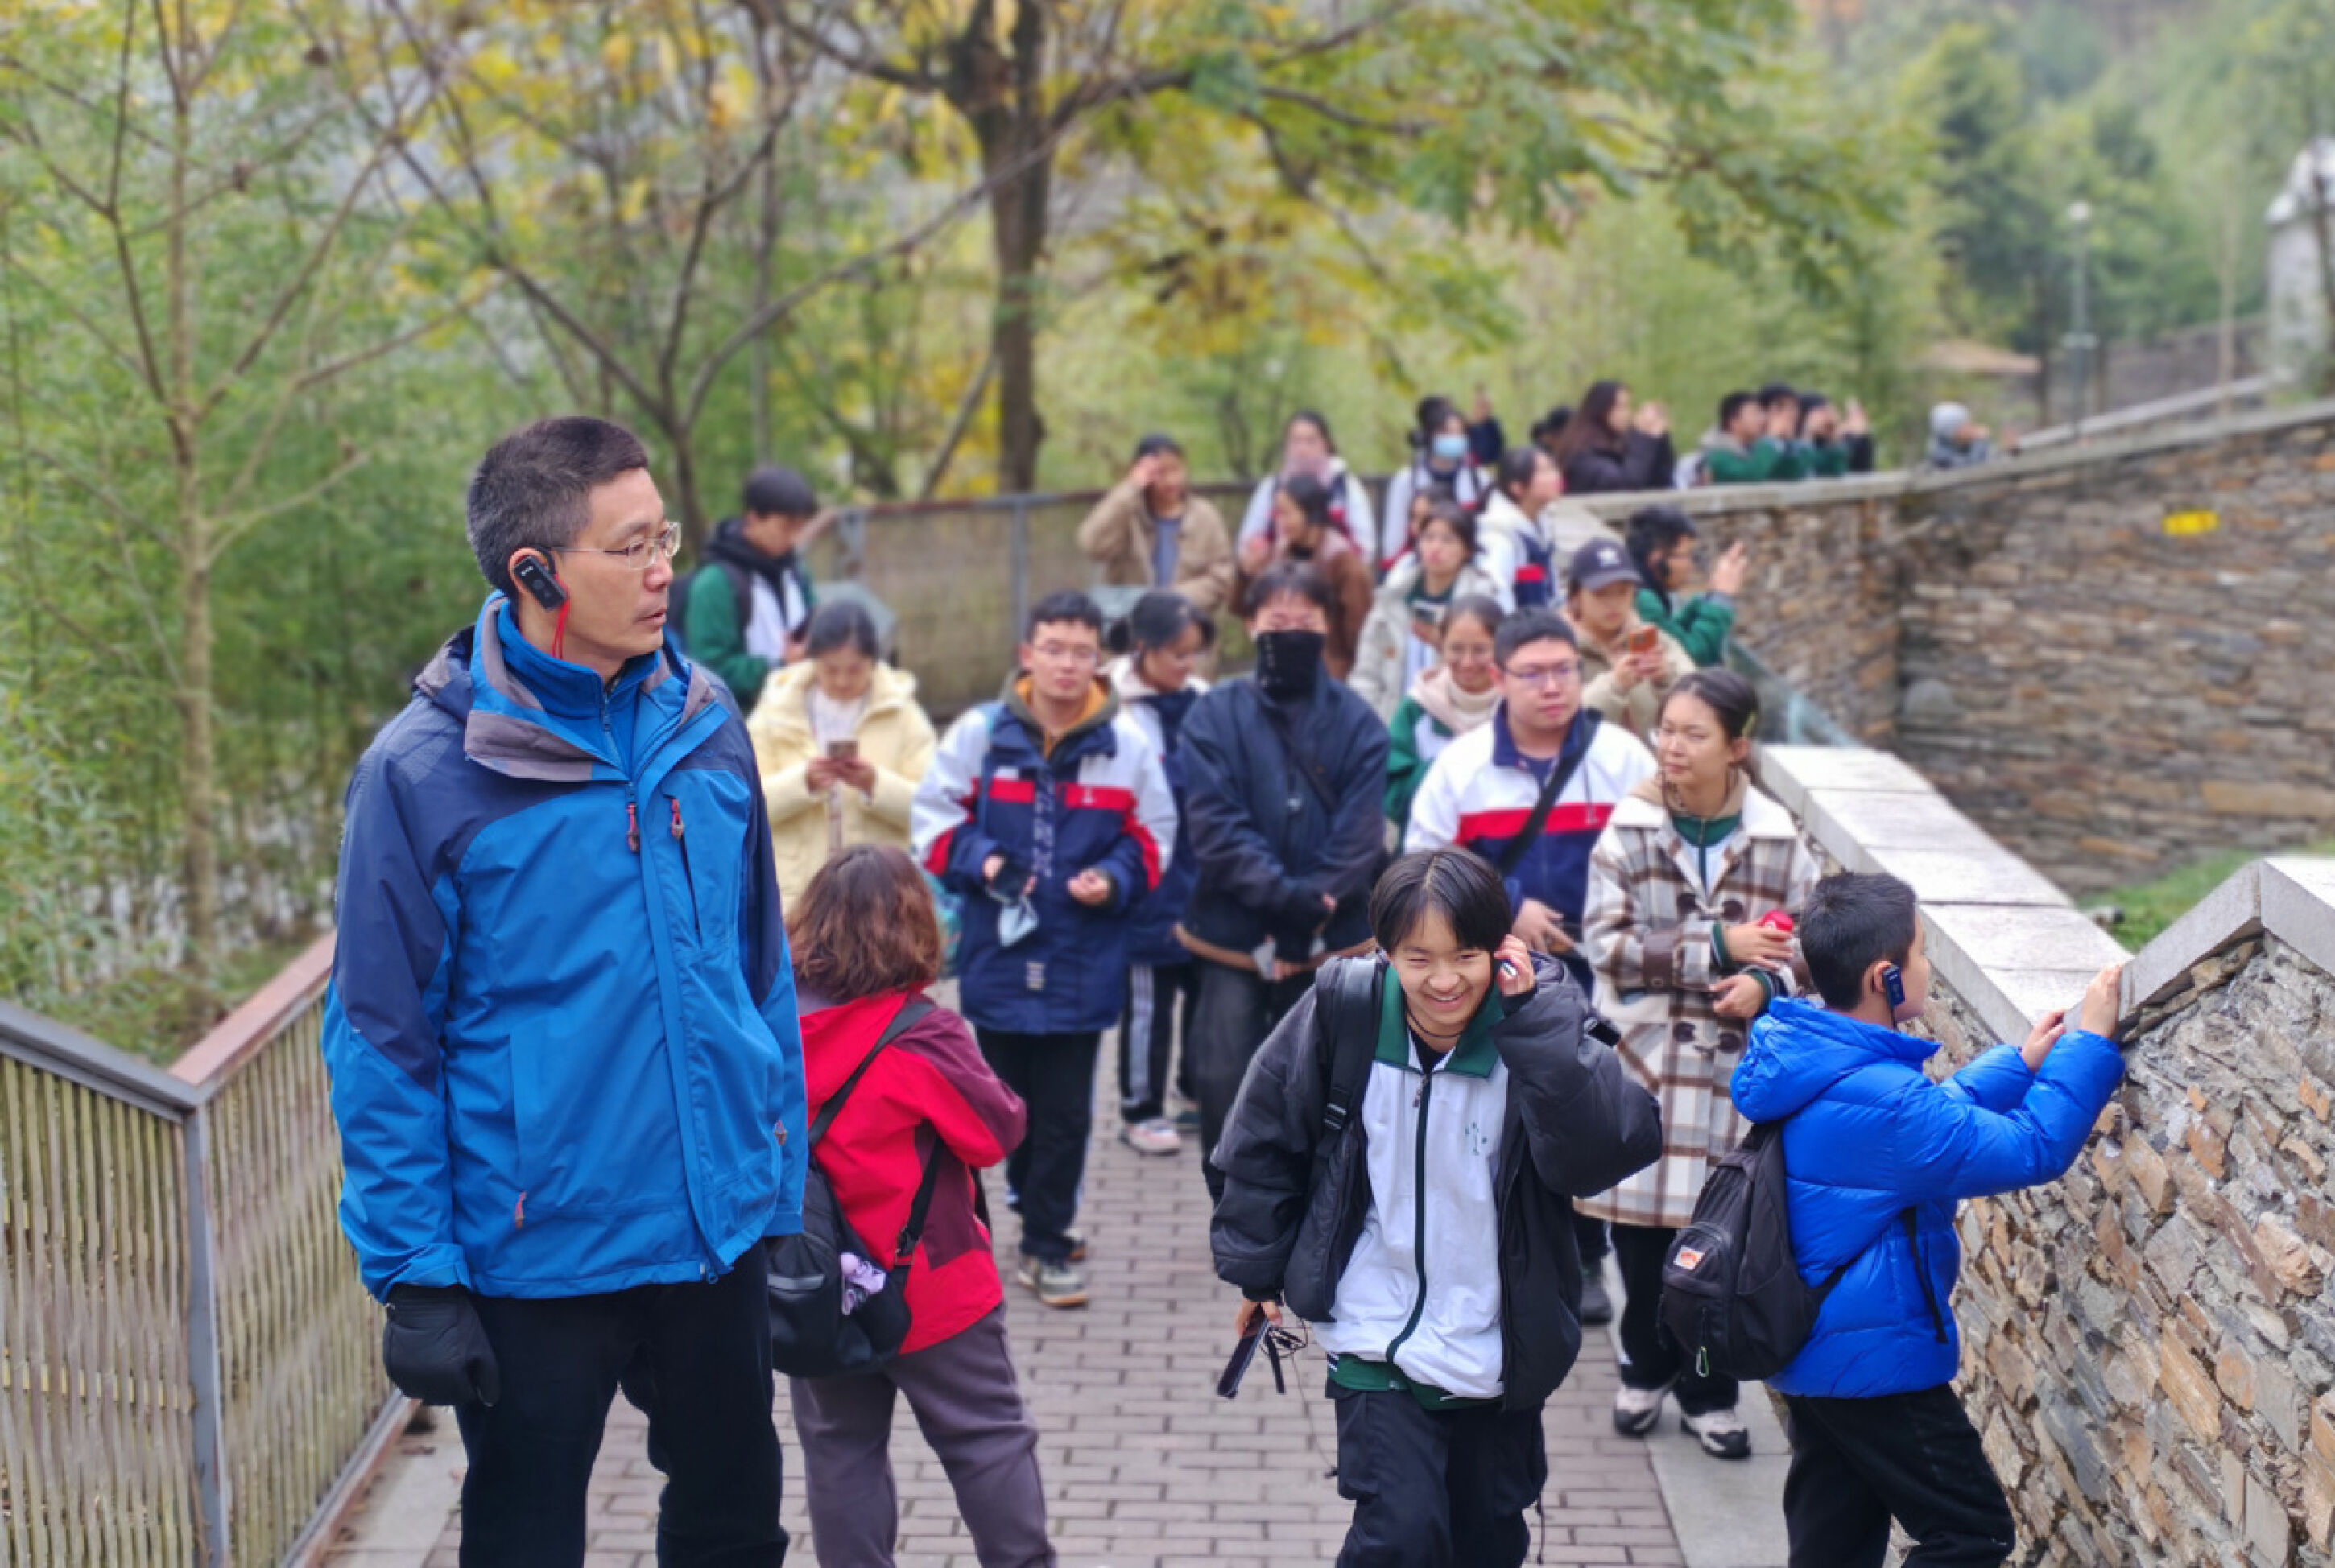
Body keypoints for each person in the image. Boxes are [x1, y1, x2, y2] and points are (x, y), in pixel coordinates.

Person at [323, 415, 804, 1566]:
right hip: (536, 1252)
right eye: (630, 547)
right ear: (536, 574)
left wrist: (781, 1184)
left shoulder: (705, 722)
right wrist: (417, 1276)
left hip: (712, 1228)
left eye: (666, 537)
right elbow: (383, 1040)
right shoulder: (425, 773)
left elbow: (758, 973)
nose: (663, 572)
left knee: (737, 1522)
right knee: (526, 1541)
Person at [1209, 849, 1663, 1568]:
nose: (1445, 981)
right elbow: (1264, 1137)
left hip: (1498, 1339)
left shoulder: (1538, 1026)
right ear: (1385, 951)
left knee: (1487, 1541)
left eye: (1467, 955)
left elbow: (1606, 1152)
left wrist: (1537, 1026)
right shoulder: (1343, 1008)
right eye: (1419, 958)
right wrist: (1257, 1273)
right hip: (1371, 1325)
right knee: (1402, 1538)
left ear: (1500, 949)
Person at [1733, 874, 2126, 1568]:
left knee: (1834, 1541)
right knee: (1970, 1534)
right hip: (1874, 1361)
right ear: (1886, 977)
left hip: (1813, 1345)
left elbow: (1921, 1125)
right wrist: (2089, 1044)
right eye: (1921, 953)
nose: (1928, 967)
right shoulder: (1885, 1100)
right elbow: (2031, 1148)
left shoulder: (1813, 1053)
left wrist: (2021, 1064)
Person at [1574, 671, 1821, 1460]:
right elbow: (1602, 943)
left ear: (1736, 746)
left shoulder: (1778, 837)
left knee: (1716, 1251)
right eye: (1665, 729)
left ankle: (1709, 1387)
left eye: (1692, 733)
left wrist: (1764, 980)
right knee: (1644, 1251)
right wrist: (1715, 948)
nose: (1671, 746)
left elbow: (1813, 952)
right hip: (1645, 1069)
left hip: (1733, 1080)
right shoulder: (1630, 828)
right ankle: (1642, 1369)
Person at [783, 846, 1053, 1568]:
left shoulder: (772, 1032)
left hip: (817, 1284)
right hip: (931, 1280)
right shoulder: (922, 1035)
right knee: (987, 1439)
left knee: (840, 1451)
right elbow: (998, 1132)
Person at [911, 591, 1178, 1309]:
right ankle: (1033, 1207)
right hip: (1000, 955)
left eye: (1082, 652)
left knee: (1065, 1112)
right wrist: (987, 863)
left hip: (1084, 959)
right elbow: (932, 821)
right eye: (1053, 649)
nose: (1067, 664)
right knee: (1002, 1109)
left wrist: (1116, 877)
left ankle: (1048, 1241)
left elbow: (1156, 835)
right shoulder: (979, 733)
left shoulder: (1128, 745)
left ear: (1101, 659)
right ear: (1027, 654)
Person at [1404, 608, 1656, 1326]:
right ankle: (1493, 1256)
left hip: (1604, 978)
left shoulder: (1623, 760)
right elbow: (1421, 864)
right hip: (1502, 978)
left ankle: (1584, 1255)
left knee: (1587, 1111)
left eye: (1565, 671)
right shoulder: (1462, 766)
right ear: (1498, 677)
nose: (1552, 687)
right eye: (1534, 673)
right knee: (1502, 1115)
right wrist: (1507, 907)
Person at [1180, 563, 1389, 1190]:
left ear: (1328, 627)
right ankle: (1236, 1220)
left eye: (1306, 622)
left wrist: (1315, 907)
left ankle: (1319, 1223)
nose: (1291, 633)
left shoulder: (1359, 721)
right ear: (1249, 625)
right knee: (1223, 1084)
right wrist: (1284, 900)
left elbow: (1361, 833)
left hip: (1337, 940)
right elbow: (1215, 825)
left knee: (1334, 1089)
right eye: (1277, 622)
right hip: (1233, 937)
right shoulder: (1212, 715)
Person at [1105, 591, 1216, 1157]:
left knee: (1206, 991)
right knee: (1149, 1001)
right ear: (1144, 649)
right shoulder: (1111, 705)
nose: (1187, 665)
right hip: (1148, 878)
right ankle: (1140, 1108)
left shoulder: (1204, 701)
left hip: (1204, 874)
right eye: (1177, 653)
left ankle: (1194, 1092)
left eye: (1194, 653)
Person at [748, 600, 939, 909]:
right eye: (830, 669)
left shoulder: (904, 714)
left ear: (874, 661)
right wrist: (803, 783)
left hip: (881, 896)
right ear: (812, 661)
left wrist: (874, 784)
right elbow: (744, 801)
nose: (842, 680)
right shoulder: (776, 712)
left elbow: (934, 806)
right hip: (795, 896)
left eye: (855, 669)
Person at [684, 463, 821, 716]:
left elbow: (813, 620)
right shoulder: (715, 583)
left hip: (801, 716)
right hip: (744, 726)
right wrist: (778, 667)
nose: (794, 539)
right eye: (786, 527)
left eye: (799, 529)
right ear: (753, 518)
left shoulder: (797, 573)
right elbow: (707, 671)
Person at [1349, 501, 1505, 720]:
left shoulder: (1485, 598)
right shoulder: (1391, 598)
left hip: (1460, 720)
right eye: (1428, 538)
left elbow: (1497, 666)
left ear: (1467, 549)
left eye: (1448, 540)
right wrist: (1373, 723)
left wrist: (1442, 644)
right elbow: (1366, 673)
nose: (1435, 547)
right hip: (1390, 720)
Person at [1234, 470, 1374, 683]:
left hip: (1329, 677)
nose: (1280, 521)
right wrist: (1245, 574)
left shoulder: (1344, 565)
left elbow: (1359, 635)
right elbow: (1244, 611)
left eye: (1287, 513)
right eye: (1277, 514)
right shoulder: (1278, 555)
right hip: (1278, 670)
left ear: (1311, 513)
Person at [1074, 432, 1235, 614]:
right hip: (1131, 624)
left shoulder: (1205, 517)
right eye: (1160, 473)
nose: (1171, 480)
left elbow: (1222, 576)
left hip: (1186, 624)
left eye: (1176, 470)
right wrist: (1131, 487)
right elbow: (1092, 545)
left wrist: (1173, 599)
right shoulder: (1127, 513)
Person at [1383, 595, 1504, 834]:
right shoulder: (1416, 709)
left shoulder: (1517, 709)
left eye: (1480, 650)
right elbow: (1392, 795)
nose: (1467, 663)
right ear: (1441, 646)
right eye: (1456, 649)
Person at [1563, 538, 1695, 741]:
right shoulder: (1558, 649)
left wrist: (1666, 678)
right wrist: (1614, 686)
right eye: (1601, 594)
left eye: (1623, 592)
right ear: (1575, 596)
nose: (1614, 603)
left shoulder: (1654, 639)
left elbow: (1701, 699)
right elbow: (1559, 721)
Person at [1235, 410, 1378, 557]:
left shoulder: (1344, 485)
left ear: (1326, 443)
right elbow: (1247, 541)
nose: (1302, 449)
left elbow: (1365, 546)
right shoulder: (1272, 486)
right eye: (1296, 441)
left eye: (1310, 441)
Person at [1625, 506, 1748, 669]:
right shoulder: (1642, 599)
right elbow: (1692, 654)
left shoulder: (1640, 583)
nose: (1690, 565)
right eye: (1686, 555)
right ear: (1657, 558)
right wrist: (1720, 598)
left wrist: (1708, 598)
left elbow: (1672, 634)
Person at [1378, 396, 1488, 573]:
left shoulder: (1479, 479)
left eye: (1459, 433)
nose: (1454, 439)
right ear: (1430, 436)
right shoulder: (1407, 480)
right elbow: (1394, 533)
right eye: (1446, 433)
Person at [1550, 379, 1676, 496]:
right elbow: (1625, 486)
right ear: (1601, 409)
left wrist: (1656, 440)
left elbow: (1662, 483)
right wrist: (1643, 438)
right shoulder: (1584, 454)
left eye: (1628, 407)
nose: (1627, 414)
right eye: (1620, 407)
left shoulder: (1621, 445)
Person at [1474, 446, 1562, 611]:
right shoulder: (1498, 536)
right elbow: (1495, 597)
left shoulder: (1542, 522)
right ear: (1517, 488)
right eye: (1544, 472)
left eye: (1554, 468)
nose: (1556, 477)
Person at [1700, 391, 1808, 486]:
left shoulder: (1757, 448)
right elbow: (1750, 476)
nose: (1761, 419)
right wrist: (1770, 439)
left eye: (1761, 413)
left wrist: (1788, 444)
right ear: (1734, 422)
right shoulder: (1717, 454)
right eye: (1754, 414)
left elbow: (1790, 474)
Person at [1800, 393, 1875, 477]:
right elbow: (1805, 470)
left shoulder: (1832, 445)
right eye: (1822, 412)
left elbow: (1858, 470)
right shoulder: (1796, 445)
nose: (1827, 417)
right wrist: (1808, 433)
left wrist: (1835, 433)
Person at [1924, 402, 1994, 470]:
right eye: (1965, 424)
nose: (1971, 428)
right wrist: (1980, 441)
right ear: (1952, 431)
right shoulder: (1940, 455)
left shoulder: (1962, 444)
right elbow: (1973, 467)